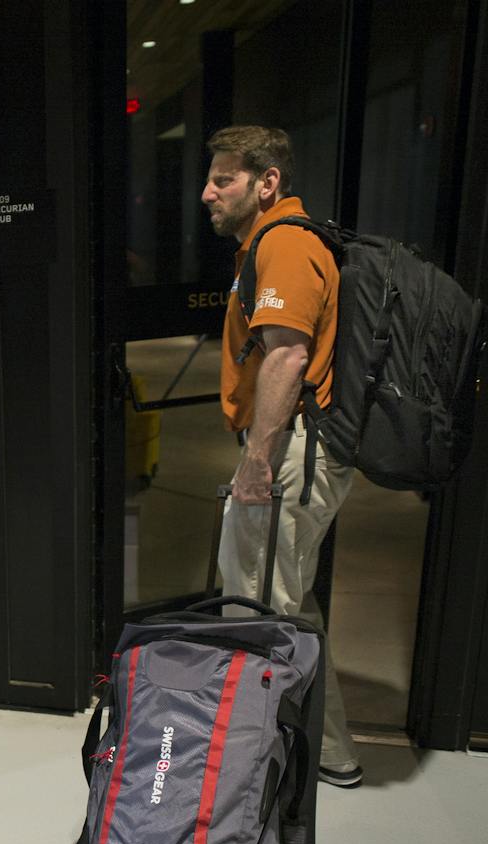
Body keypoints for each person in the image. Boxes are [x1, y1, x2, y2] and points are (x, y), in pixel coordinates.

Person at [200, 125, 363, 788]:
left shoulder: (287, 246)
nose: (207, 192)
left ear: (268, 183)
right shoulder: (275, 244)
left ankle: (250, 780)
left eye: (224, 180)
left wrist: (256, 465)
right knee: (290, 606)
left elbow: (288, 356)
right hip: (304, 450)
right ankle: (330, 752)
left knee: (253, 614)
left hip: (290, 453)